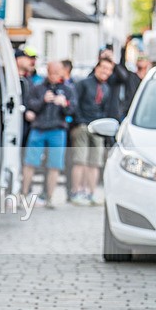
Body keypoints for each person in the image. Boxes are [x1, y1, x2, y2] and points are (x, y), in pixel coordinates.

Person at [21, 62, 75, 209]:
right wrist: (43, 101)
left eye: (57, 73)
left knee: (55, 165)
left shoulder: (67, 90)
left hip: (58, 129)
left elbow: (72, 111)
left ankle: (49, 198)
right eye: (52, 72)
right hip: (39, 128)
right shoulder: (38, 88)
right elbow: (30, 107)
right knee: (30, 162)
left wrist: (64, 104)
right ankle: (23, 195)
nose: (54, 76)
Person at [70, 58, 115, 206]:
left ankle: (91, 193)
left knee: (95, 162)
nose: (105, 71)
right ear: (96, 68)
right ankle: (77, 191)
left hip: (98, 128)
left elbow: (105, 109)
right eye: (103, 67)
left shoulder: (107, 88)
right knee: (80, 160)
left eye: (108, 69)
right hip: (82, 125)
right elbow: (75, 103)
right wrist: (80, 121)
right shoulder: (84, 84)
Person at [15, 47, 38, 147]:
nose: (33, 61)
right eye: (29, 58)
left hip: (26, 127)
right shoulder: (10, 79)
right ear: (18, 59)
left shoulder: (29, 80)